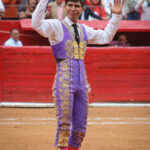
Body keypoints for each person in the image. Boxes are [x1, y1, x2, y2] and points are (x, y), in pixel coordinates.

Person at [32, 0, 124, 149]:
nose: (72, 9)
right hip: (64, 82)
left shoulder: (84, 30)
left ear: (82, 9)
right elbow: (36, 24)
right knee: (64, 125)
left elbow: (106, 37)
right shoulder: (56, 26)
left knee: (80, 129)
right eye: (70, 5)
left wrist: (116, 15)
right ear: (65, 7)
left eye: (76, 6)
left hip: (82, 84)